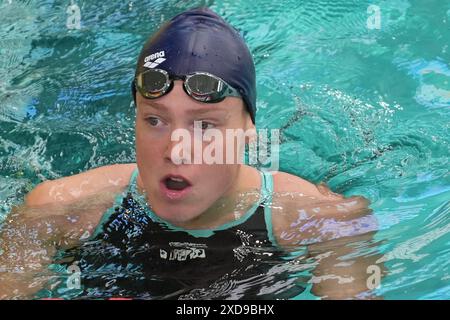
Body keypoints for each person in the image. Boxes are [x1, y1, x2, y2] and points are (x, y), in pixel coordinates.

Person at [0, 7, 380, 299]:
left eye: (205, 125)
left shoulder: (323, 223)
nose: (175, 150)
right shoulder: (59, 210)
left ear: (249, 131)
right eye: (155, 120)